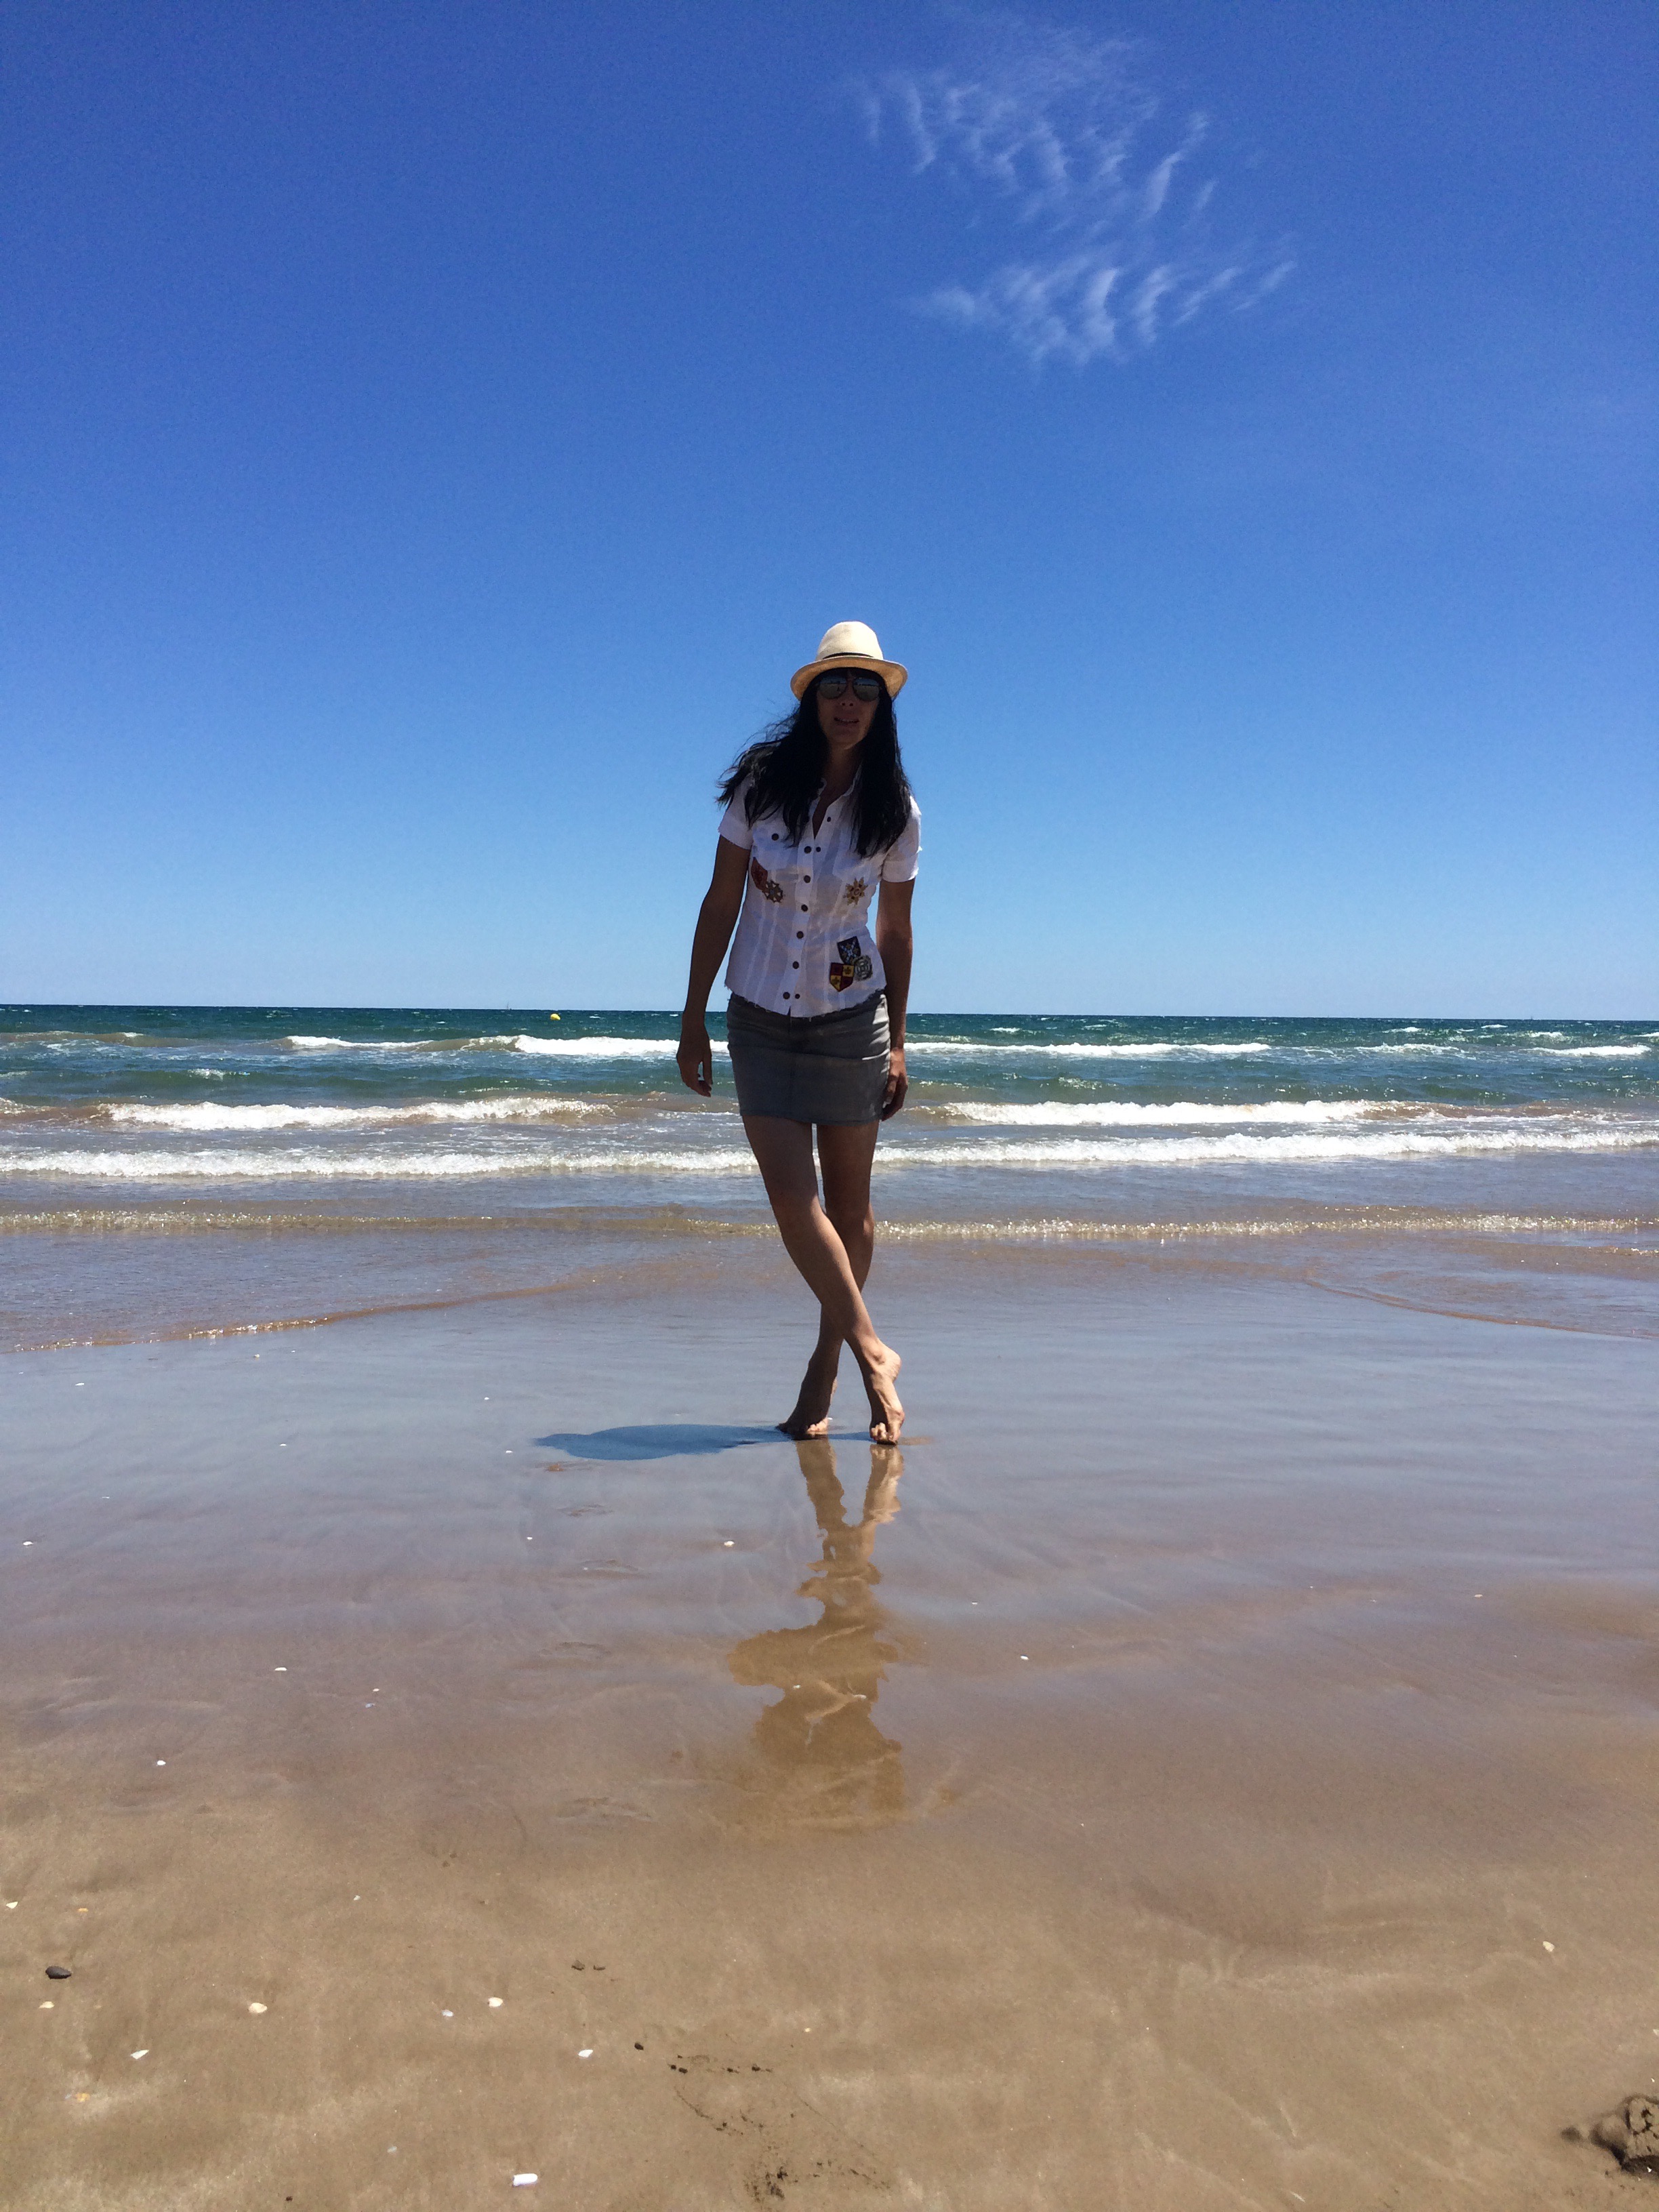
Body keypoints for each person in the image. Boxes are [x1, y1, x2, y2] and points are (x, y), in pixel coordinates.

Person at [676, 622, 920, 1443]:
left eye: (864, 687)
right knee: (793, 1199)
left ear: (881, 704)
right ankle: (873, 1351)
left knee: (850, 1208)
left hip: (852, 1020)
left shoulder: (896, 811)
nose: (849, 700)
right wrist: (692, 1017)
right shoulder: (760, 788)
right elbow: (721, 901)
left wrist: (898, 1040)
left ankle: (826, 1370)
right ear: (811, 696)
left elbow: (895, 932)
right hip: (759, 1016)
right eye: (834, 684)